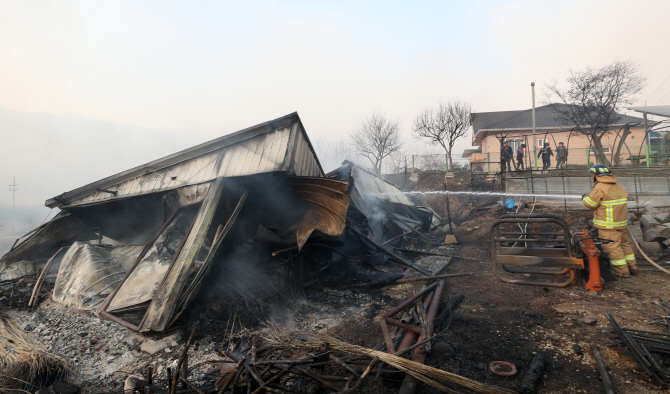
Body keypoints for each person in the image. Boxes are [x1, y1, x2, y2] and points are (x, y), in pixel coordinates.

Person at [582, 164, 637, 278]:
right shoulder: (618, 187)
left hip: (608, 226)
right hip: (621, 223)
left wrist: (585, 197)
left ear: (596, 176)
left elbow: (591, 204)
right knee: (624, 245)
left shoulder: (600, 187)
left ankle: (622, 272)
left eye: (592, 174)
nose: (592, 176)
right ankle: (633, 268)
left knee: (612, 248)